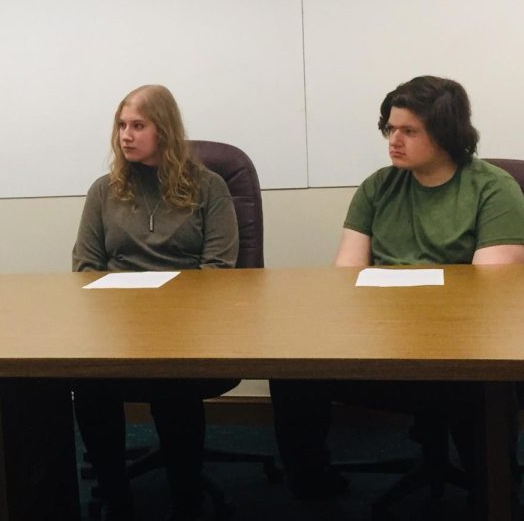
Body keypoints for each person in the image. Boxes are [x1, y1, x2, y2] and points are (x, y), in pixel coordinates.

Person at [269, 76, 524, 501]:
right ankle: (314, 487)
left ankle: (494, 493)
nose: (394, 140)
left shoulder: (493, 188)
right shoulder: (378, 186)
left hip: (461, 345)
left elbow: (489, 293)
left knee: (476, 389)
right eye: (390, 129)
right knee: (292, 370)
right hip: (384, 338)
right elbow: (345, 276)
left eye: (409, 131)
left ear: (444, 133)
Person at [72, 84, 240, 521]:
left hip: (187, 326)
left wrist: (167, 312)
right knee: (89, 383)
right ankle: (115, 494)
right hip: (119, 325)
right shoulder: (104, 191)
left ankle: (186, 498)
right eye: (121, 126)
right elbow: (86, 267)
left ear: (164, 129)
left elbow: (219, 270)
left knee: (173, 381)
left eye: (138, 126)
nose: (126, 135)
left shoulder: (209, 187)